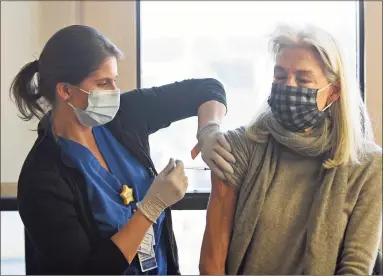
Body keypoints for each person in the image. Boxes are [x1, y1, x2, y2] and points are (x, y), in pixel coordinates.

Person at [11, 25, 235, 275]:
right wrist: (151, 207)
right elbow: (87, 270)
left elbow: (207, 89)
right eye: (103, 83)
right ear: (65, 90)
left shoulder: (125, 116)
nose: (114, 93)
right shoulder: (42, 177)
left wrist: (209, 130)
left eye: (114, 80)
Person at [199, 24, 382, 275]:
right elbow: (212, 261)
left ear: (333, 93)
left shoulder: (367, 164)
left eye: (303, 79)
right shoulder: (240, 148)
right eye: (280, 76)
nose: (288, 86)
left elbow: (356, 265)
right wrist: (208, 128)